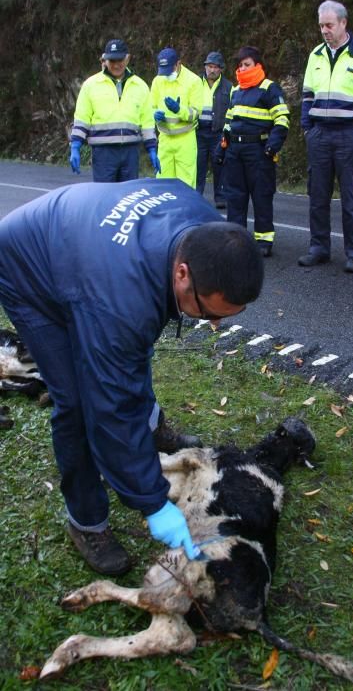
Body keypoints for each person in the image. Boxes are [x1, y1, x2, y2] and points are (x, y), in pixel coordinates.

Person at [0, 179, 263, 576]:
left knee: (129, 349)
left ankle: (153, 428)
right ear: (182, 273)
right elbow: (110, 404)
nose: (214, 324)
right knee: (76, 400)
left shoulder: (211, 234)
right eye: (209, 313)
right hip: (27, 267)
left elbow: (129, 352)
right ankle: (86, 521)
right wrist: (153, 502)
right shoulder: (119, 301)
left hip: (86, 250)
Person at [298, 0, 353, 273]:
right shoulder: (315, 55)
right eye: (321, 25)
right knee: (318, 197)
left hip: (349, 136)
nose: (324, 30)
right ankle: (319, 248)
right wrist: (307, 130)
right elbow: (307, 96)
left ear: (343, 23)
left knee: (352, 199)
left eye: (329, 25)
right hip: (319, 135)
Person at [219, 46, 290, 257]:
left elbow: (282, 119)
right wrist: (221, 147)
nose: (242, 68)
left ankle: (263, 241)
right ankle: (235, 240)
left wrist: (273, 145)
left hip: (259, 151)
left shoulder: (269, 89)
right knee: (235, 198)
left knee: (261, 197)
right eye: (240, 65)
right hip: (235, 151)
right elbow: (229, 121)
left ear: (258, 65)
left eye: (247, 64)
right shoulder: (236, 90)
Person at [69, 39, 159, 182]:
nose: (116, 65)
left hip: (130, 153)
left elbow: (147, 121)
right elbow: (82, 118)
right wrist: (75, 145)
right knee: (105, 197)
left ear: (127, 58)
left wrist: (152, 149)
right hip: (103, 153)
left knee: (128, 198)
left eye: (120, 60)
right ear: (104, 60)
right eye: (112, 61)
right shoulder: (91, 85)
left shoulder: (140, 86)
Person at [150, 48, 203, 188]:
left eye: (169, 70)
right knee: (162, 185)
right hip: (165, 139)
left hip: (185, 139)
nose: (166, 75)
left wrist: (180, 110)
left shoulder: (194, 81)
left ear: (178, 64)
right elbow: (150, 106)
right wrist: (154, 115)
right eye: (163, 71)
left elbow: (196, 113)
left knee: (186, 185)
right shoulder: (158, 81)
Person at [196, 51, 232, 208]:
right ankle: (196, 196)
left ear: (221, 69)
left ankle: (221, 198)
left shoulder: (228, 87)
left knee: (220, 165)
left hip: (218, 132)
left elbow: (232, 109)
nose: (212, 70)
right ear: (205, 67)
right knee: (198, 165)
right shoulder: (195, 83)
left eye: (215, 67)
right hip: (198, 131)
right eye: (209, 66)